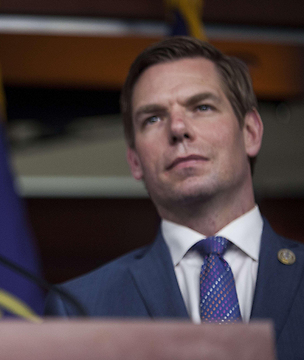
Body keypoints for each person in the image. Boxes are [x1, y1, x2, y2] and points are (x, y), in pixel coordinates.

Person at [44, 36, 303, 359]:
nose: (178, 127)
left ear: (250, 132)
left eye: (202, 107)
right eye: (153, 118)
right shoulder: (78, 310)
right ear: (135, 161)